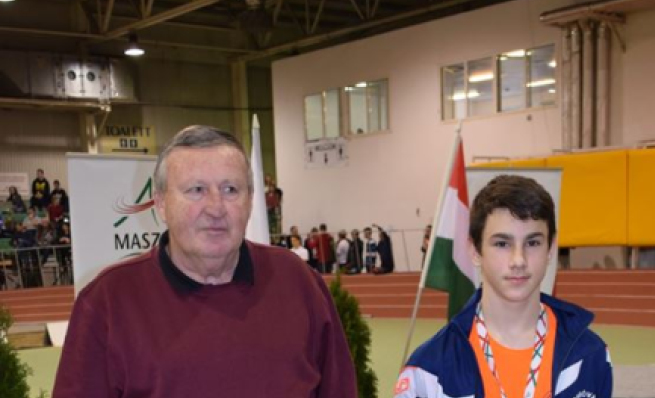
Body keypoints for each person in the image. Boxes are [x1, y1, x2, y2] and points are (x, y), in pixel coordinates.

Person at [53, 125, 356, 398]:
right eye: (196, 190)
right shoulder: (108, 301)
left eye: (230, 190)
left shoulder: (298, 282)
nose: (215, 207)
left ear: (250, 200)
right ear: (161, 203)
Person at [394, 175, 612, 398]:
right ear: (475, 250)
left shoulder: (590, 355)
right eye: (502, 244)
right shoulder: (428, 370)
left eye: (533, 243)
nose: (518, 260)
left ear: (550, 248)